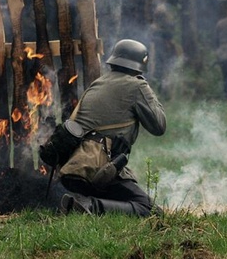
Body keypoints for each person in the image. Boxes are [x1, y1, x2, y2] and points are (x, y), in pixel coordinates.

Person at [59, 39, 167, 217]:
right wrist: (147, 90)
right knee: (151, 210)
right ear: (140, 64)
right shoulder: (136, 85)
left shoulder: (99, 82)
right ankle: (88, 206)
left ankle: (82, 202)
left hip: (75, 167)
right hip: (97, 170)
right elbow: (159, 126)